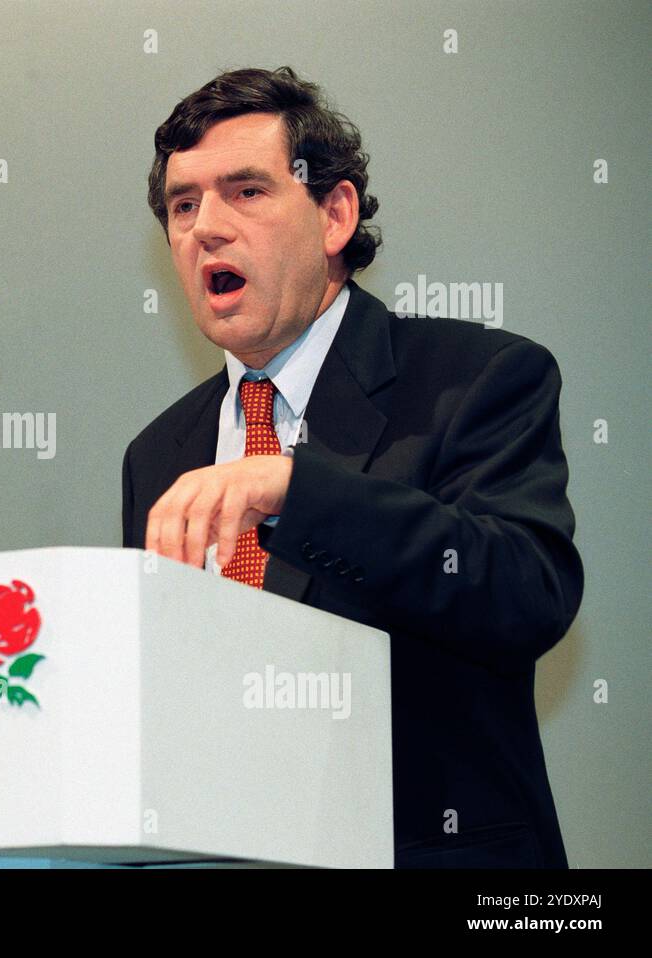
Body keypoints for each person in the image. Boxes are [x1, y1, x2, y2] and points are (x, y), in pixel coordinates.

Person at [121, 66, 583, 868]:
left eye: (247, 193)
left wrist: (297, 490)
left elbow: (526, 593)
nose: (206, 229)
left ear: (335, 214)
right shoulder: (156, 452)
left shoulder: (474, 377)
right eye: (184, 205)